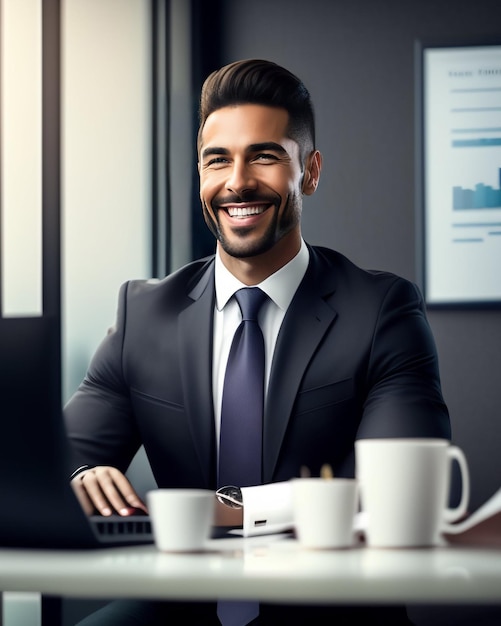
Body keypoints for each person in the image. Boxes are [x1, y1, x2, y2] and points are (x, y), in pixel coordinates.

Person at [65, 59, 450, 625]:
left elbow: (399, 490)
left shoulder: (382, 310)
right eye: (217, 160)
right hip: (180, 607)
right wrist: (80, 474)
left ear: (311, 172)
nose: (237, 182)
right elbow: (57, 458)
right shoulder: (143, 313)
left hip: (329, 611)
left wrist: (229, 510)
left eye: (264, 156)